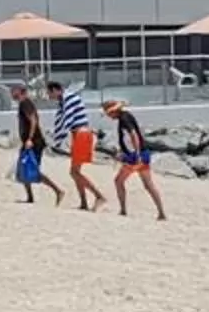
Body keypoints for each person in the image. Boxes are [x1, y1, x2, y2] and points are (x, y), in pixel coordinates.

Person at [105, 99, 165, 221]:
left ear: (114, 111)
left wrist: (136, 155)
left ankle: (123, 210)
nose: (108, 116)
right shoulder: (126, 115)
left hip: (135, 157)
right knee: (149, 185)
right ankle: (161, 213)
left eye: (109, 113)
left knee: (118, 181)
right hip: (143, 153)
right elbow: (129, 137)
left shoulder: (124, 119)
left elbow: (133, 135)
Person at [48, 81, 103, 212]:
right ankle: (84, 202)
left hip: (82, 135)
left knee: (74, 172)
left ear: (56, 90)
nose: (49, 96)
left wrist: (58, 139)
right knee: (75, 172)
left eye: (50, 93)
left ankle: (98, 196)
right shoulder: (65, 100)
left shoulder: (69, 99)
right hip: (78, 135)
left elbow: (68, 119)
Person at [11, 83, 63, 206]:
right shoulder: (23, 104)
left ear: (21, 92)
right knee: (23, 168)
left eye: (14, 91)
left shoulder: (26, 103)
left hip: (34, 142)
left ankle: (58, 191)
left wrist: (30, 139)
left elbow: (33, 121)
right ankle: (30, 197)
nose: (12, 94)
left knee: (31, 169)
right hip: (30, 142)